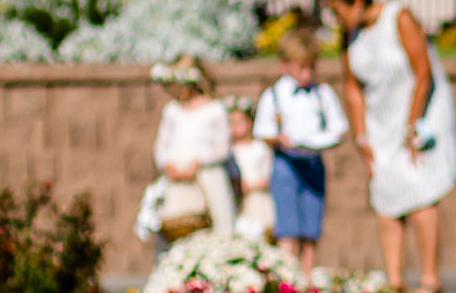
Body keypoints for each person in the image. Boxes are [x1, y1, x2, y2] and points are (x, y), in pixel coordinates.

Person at [318, 0, 456, 293]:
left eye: (336, 9)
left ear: (356, 0)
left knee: (422, 194)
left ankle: (430, 281)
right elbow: (353, 89)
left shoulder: (399, 17)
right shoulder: (350, 36)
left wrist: (412, 126)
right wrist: (362, 137)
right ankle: (395, 281)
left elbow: (423, 73)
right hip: (380, 125)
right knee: (386, 199)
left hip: (417, 118)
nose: (334, 18)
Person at [254, 26, 348, 268]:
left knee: (311, 227)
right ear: (285, 65)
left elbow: (338, 127)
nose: (307, 74)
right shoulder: (274, 95)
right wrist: (279, 138)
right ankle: (289, 280)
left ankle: (307, 279)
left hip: (313, 162)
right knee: (288, 228)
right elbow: (262, 130)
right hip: (286, 163)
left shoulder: (322, 93)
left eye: (311, 67)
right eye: (301, 67)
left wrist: (328, 137)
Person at [146, 56, 235, 246]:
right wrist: (169, 165)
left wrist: (197, 162)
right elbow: (161, 147)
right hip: (177, 179)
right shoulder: (172, 110)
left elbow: (222, 147)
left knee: (219, 228)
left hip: (207, 176)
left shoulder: (215, 109)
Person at [224, 96, 276, 244]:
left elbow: (269, 175)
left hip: (258, 200)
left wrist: (251, 185)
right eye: (231, 122)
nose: (236, 126)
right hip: (238, 202)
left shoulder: (260, 148)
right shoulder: (227, 151)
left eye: (240, 121)